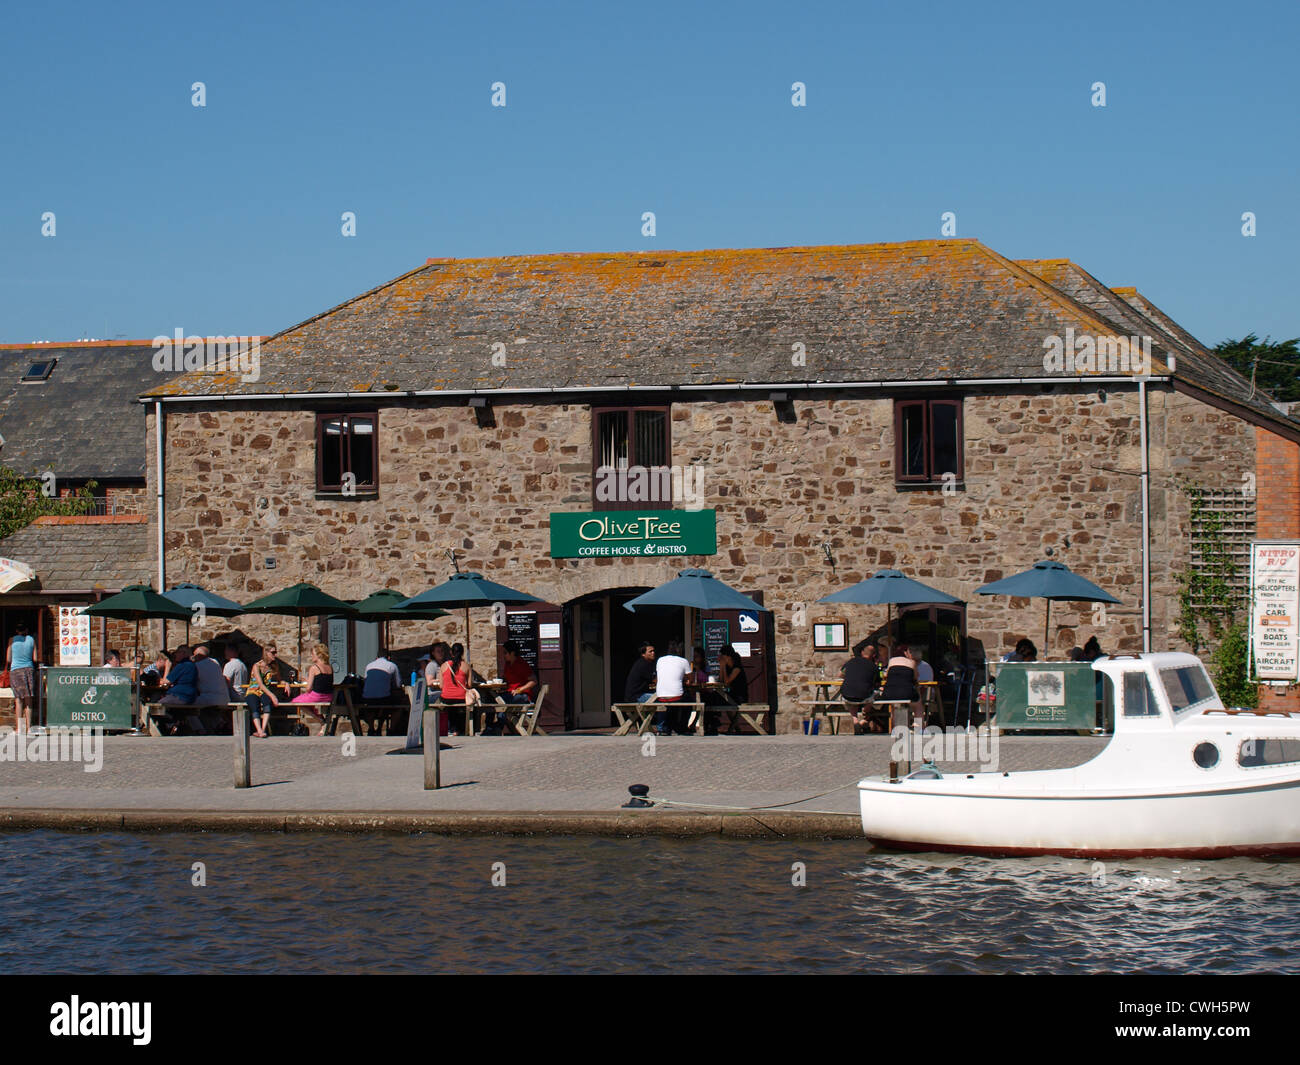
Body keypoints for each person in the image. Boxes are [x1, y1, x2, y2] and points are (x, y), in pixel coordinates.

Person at [246, 644, 290, 739]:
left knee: (267, 705)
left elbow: (279, 679)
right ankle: (259, 730)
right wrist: (272, 696)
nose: (275, 655)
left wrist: (286, 683)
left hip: (264, 691)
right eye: (273, 652)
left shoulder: (273, 666)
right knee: (255, 706)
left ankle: (263, 728)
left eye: (275, 652)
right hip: (254, 690)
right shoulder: (257, 666)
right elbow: (260, 684)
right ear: (266, 653)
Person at [158, 644, 204, 735]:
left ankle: (168, 728)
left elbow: (166, 682)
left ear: (183, 653)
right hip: (190, 696)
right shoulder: (192, 665)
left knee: (156, 706)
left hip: (180, 696)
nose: (175, 655)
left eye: (177, 652)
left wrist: (168, 667)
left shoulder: (182, 665)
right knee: (171, 708)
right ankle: (174, 725)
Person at [291, 643, 334, 735]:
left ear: (318, 655)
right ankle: (323, 723)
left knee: (296, 701)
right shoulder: (330, 667)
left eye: (312, 654)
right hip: (329, 696)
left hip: (317, 696)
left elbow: (308, 688)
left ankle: (321, 720)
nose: (311, 656)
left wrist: (305, 683)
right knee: (307, 701)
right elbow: (322, 682)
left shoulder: (314, 668)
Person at [840, 639, 881, 734]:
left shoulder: (850, 662)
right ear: (874, 655)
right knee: (876, 694)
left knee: (851, 697)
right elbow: (877, 683)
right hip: (865, 696)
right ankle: (864, 718)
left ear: (862, 652)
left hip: (846, 695)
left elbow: (840, 674)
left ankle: (855, 720)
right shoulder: (873, 667)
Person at [653, 640, 693, 736]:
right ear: (680, 651)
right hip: (676, 696)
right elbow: (690, 680)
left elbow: (658, 678)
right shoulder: (683, 661)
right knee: (689, 701)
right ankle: (682, 727)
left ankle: (666, 727)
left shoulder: (660, 660)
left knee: (670, 704)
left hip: (660, 695)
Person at [361, 647, 403, 736]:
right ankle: (390, 730)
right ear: (388, 658)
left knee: (374, 705)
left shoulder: (369, 666)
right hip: (384, 698)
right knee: (398, 707)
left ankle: (371, 729)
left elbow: (366, 681)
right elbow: (398, 684)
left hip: (367, 699)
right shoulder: (392, 665)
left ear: (377, 658)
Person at [878, 642, 921, 726]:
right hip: (906, 693)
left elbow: (886, 675)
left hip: (889, 694)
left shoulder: (891, 661)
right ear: (905, 653)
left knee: (894, 705)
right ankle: (919, 726)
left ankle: (895, 727)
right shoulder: (912, 662)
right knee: (918, 704)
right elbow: (916, 677)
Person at [192, 644, 232, 732]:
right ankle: (219, 723)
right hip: (224, 698)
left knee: (186, 705)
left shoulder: (197, 666)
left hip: (208, 697)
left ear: (198, 656)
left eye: (194, 656)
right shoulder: (215, 662)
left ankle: (199, 729)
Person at [7, 622, 36, 734]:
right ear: (26, 630)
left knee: (18, 700)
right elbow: (35, 657)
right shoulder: (32, 640)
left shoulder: (12, 640)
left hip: (16, 670)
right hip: (29, 670)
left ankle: (19, 729)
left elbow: (8, 659)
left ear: (16, 630)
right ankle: (29, 728)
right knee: (29, 700)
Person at [439, 643, 474, 735]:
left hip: (446, 697)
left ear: (451, 653)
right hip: (461, 697)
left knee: (448, 706)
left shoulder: (443, 666)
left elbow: (441, 686)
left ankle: (452, 729)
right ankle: (459, 729)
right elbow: (470, 684)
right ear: (462, 653)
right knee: (462, 706)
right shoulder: (466, 666)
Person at [717, 644, 749, 735]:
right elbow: (720, 681)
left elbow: (727, 681)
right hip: (733, 694)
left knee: (724, 701)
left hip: (740, 696)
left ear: (727, 657)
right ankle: (735, 727)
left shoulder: (737, 668)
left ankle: (732, 727)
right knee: (721, 700)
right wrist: (722, 668)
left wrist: (723, 666)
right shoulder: (728, 668)